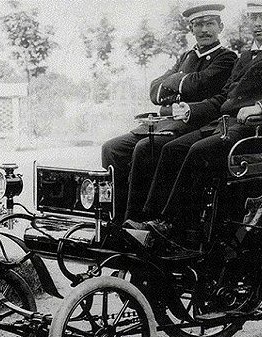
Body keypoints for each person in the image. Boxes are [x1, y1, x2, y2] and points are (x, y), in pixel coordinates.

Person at [136, 0, 262, 238]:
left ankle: (175, 226)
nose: (258, 24)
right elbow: (224, 98)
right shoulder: (245, 57)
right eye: (253, 18)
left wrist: (259, 108)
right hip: (226, 126)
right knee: (172, 148)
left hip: (257, 133)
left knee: (199, 151)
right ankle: (152, 219)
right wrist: (192, 110)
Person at [101, 4, 237, 223]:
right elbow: (155, 90)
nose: (204, 30)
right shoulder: (186, 57)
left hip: (196, 124)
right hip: (168, 122)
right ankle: (114, 217)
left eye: (210, 24)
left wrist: (175, 84)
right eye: (198, 25)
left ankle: (137, 221)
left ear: (220, 27)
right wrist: (181, 85)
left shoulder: (227, 58)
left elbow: (199, 84)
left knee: (145, 148)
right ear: (191, 29)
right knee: (112, 148)